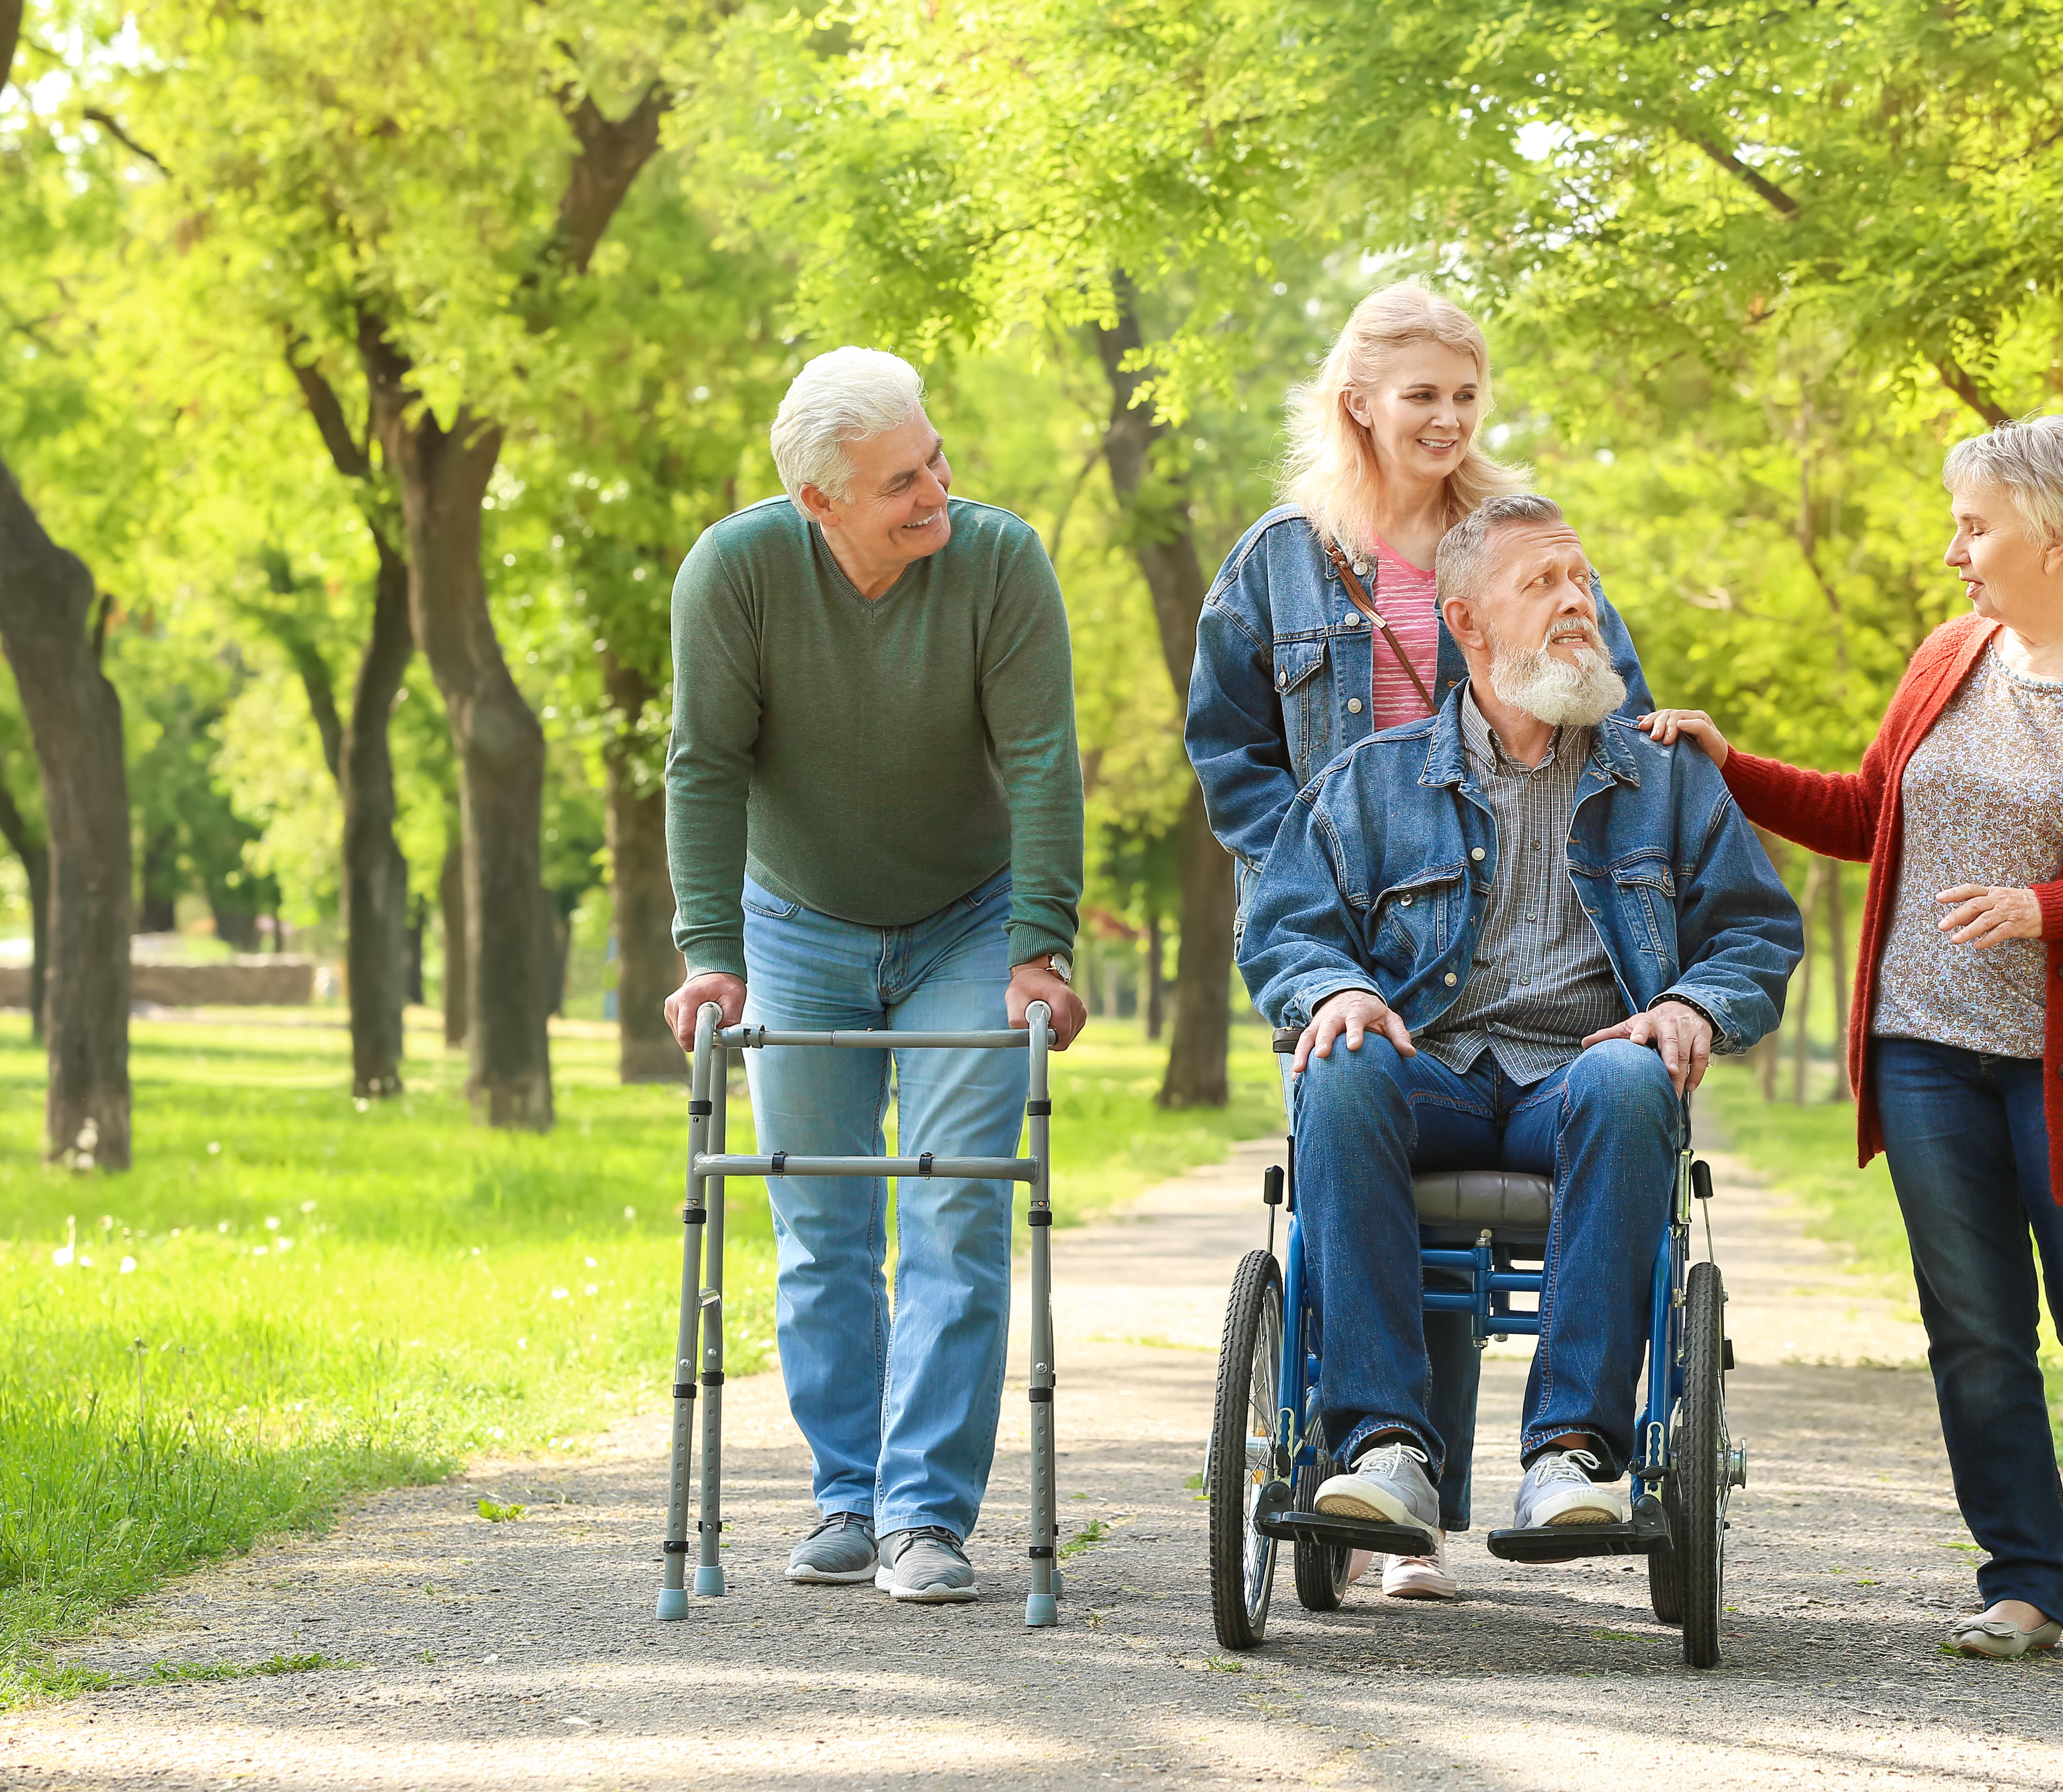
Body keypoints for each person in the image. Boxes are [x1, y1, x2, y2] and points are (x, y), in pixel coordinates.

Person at [1642, 414, 2063, 1671]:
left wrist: (2048, 908)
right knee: (1974, 1329)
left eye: (1975, 524)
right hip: (1923, 1048)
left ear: (2059, 532)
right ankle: (2022, 1583)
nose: (1954, 549)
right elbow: (1872, 814)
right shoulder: (1946, 657)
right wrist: (1730, 765)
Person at [1185, 282, 1658, 1598]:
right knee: (1364, 1139)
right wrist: (1321, 867)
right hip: (1349, 919)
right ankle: (1382, 1461)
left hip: (1501, 921)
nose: (1448, 419)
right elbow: (1226, 741)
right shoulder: (1279, 558)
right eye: (1422, 397)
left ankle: (1426, 1494)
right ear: (1360, 405)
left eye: (1465, 395)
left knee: (1478, 1131)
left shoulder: (1517, 545)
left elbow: (1612, 698)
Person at [1239, 493, 1801, 1557]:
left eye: (1580, 581)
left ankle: (1573, 1455)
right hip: (1432, 1071)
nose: (1574, 603)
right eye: (1541, 584)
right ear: (1466, 624)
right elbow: (1284, 930)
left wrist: (1690, 1004)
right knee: (1343, 1064)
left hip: (1584, 1079)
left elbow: (1756, 935)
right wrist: (1334, 992)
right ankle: (1383, 1449)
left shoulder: (1667, 780)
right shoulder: (1376, 782)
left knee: (1635, 1083)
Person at [662, 347, 1089, 1606]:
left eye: (937, 458)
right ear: (821, 502)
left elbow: (1043, 762)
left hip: (969, 920)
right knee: (821, 1223)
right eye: (904, 480)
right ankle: (845, 1496)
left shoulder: (999, 562)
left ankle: (924, 1518)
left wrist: (1040, 946)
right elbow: (704, 768)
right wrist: (711, 957)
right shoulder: (736, 571)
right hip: (796, 922)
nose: (936, 491)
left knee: (956, 1202)